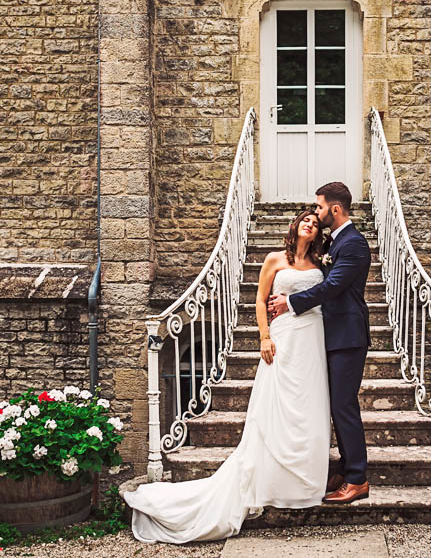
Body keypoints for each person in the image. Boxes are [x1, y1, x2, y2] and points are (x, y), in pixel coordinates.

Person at [122, 209, 331, 543]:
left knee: (308, 406)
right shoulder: (275, 259)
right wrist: (264, 337)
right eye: (305, 219)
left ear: (319, 233)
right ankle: (268, 480)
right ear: (295, 226)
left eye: (316, 222)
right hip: (284, 337)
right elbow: (260, 302)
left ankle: (302, 482)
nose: (310, 223)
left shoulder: (321, 266)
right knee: (277, 408)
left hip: (312, 337)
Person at [268, 181, 372, 504]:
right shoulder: (333, 243)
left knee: (344, 405)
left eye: (320, 207)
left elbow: (332, 288)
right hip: (331, 336)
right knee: (336, 405)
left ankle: (358, 479)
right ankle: (345, 467)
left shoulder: (353, 244)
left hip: (348, 337)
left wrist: (291, 302)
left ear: (335, 209)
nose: (316, 211)